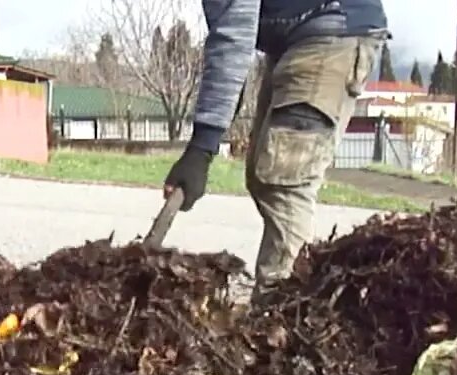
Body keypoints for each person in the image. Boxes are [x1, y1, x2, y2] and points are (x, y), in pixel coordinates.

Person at [163, 0, 389, 296]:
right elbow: (234, 49)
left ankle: (282, 313)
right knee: (264, 175)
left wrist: (201, 148)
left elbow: (232, 37)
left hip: (331, 31)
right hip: (300, 38)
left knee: (285, 183)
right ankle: (282, 305)